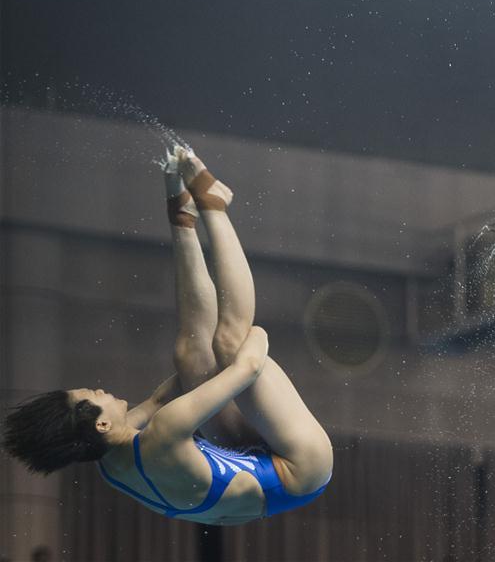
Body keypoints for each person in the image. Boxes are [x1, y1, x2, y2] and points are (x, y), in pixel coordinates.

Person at [2, 148, 332, 524]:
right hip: (301, 470)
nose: (97, 389)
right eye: (90, 395)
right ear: (101, 424)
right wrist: (255, 335)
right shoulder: (165, 431)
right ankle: (215, 206)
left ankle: (183, 218)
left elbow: (165, 394)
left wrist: (173, 186)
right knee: (231, 342)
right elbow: (251, 364)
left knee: (190, 356)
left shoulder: (110, 460)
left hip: (250, 462)